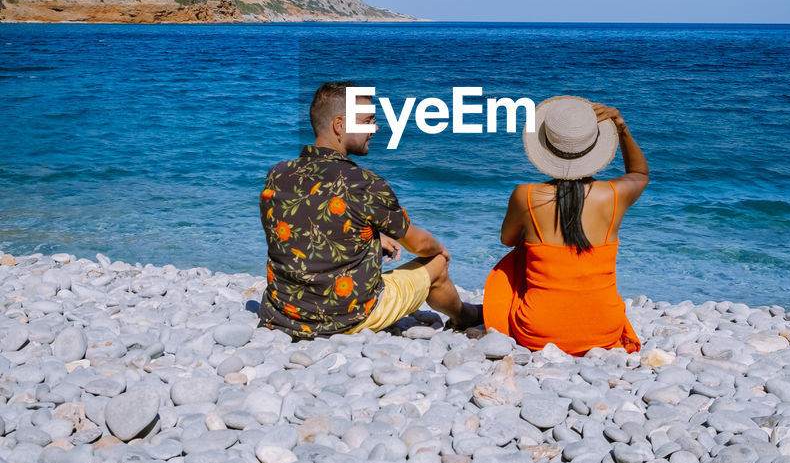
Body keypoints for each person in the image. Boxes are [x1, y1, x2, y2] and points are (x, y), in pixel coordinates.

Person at [259, 81, 481, 338]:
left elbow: (303, 221)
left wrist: (371, 236)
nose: (375, 128)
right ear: (340, 125)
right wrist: (440, 250)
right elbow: (418, 244)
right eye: (367, 121)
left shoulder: (278, 173)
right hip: (345, 318)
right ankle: (465, 316)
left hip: (282, 311)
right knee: (436, 262)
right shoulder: (364, 183)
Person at [482, 95, 648, 354]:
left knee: (516, 257)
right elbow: (639, 174)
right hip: (605, 330)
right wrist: (621, 127)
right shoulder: (614, 195)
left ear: (546, 147)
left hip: (537, 332)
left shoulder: (525, 195)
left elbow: (507, 239)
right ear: (593, 146)